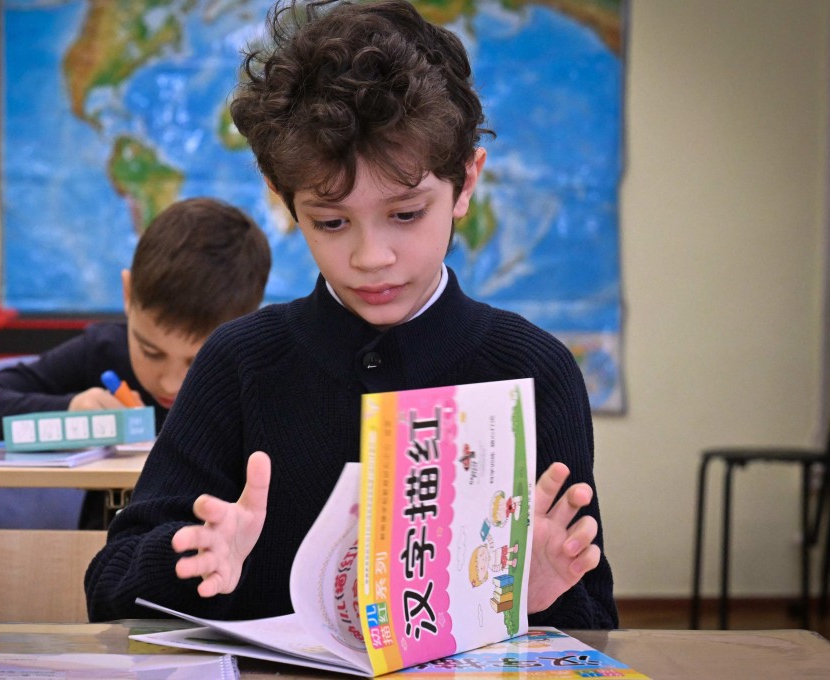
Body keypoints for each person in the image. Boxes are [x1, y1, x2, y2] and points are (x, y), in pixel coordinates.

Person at [85, 0, 618, 629]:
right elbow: (108, 586)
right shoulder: (238, 363)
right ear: (283, 200)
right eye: (331, 222)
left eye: (406, 214)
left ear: (467, 182)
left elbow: (593, 624)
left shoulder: (534, 369)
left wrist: (537, 597)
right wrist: (190, 558)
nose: (372, 257)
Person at [0, 197, 271, 525]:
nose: (170, 383)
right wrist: (70, 410)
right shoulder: (102, 352)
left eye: (198, 362)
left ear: (245, 325)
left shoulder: (260, 374)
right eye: (150, 351)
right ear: (128, 295)